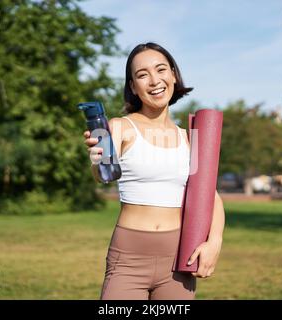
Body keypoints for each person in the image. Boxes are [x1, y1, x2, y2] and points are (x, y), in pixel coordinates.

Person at [83, 42, 225, 300]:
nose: (154, 80)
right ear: (133, 87)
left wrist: (214, 242)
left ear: (173, 74)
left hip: (179, 259)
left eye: (160, 70)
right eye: (142, 75)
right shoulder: (120, 127)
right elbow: (103, 172)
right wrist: (97, 159)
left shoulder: (190, 137)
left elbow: (211, 197)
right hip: (128, 260)